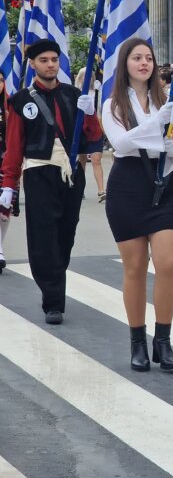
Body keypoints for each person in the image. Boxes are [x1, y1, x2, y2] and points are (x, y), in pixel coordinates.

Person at [0, 39, 103, 324]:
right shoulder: (21, 101)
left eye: (54, 59)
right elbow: (14, 145)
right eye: (44, 60)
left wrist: (91, 112)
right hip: (39, 173)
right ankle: (53, 300)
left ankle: (55, 278)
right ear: (33, 64)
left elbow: (93, 138)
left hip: (70, 175)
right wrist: (9, 184)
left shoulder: (73, 95)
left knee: (65, 236)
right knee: (43, 236)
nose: (50, 64)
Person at [101, 38, 173, 372]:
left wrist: (171, 147)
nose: (144, 63)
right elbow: (121, 144)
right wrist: (154, 125)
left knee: (167, 264)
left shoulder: (166, 101)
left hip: (163, 184)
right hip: (128, 186)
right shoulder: (112, 105)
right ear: (125, 64)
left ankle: (162, 341)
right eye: (137, 58)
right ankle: (137, 340)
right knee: (135, 267)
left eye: (149, 58)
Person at [74, 67, 106, 203]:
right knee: (81, 161)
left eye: (90, 76)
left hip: (95, 130)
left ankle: (101, 191)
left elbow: (102, 111)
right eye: (83, 76)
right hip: (81, 130)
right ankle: (80, 189)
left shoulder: (98, 93)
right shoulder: (74, 93)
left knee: (96, 159)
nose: (87, 79)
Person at [0, 71, 19, 271]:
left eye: (1, 80)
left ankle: (0, 247)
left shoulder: (9, 105)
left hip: (5, 161)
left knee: (4, 210)